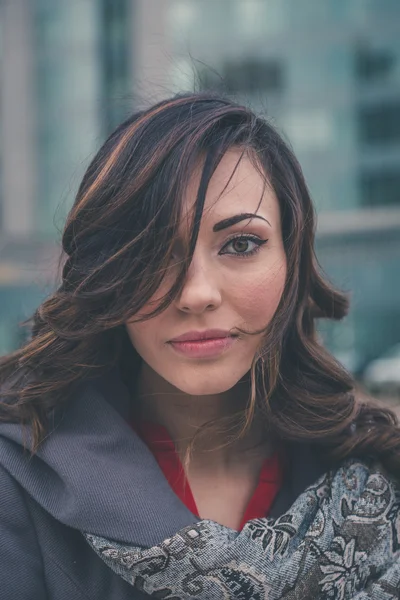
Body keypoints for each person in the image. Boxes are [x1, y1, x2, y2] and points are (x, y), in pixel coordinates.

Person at [0, 92, 399, 600]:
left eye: (240, 244)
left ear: (291, 260)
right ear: (106, 274)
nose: (196, 294)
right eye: (152, 252)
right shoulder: (16, 479)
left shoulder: (374, 480)